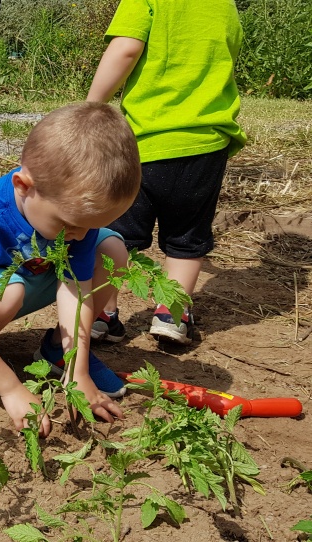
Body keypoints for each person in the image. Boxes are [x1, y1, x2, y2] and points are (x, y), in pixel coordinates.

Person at [0, 102, 141, 431]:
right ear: (24, 187)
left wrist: (77, 371)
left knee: (112, 249)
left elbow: (76, 289)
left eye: (90, 226)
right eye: (71, 225)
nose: (80, 236)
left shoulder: (74, 218)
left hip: (33, 275)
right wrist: (11, 389)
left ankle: (58, 350)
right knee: (6, 294)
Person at [86, 0, 247, 346]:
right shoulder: (225, 6)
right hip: (205, 143)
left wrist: (92, 104)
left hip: (144, 143)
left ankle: (102, 313)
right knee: (187, 237)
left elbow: (126, 49)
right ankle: (171, 314)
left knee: (117, 234)